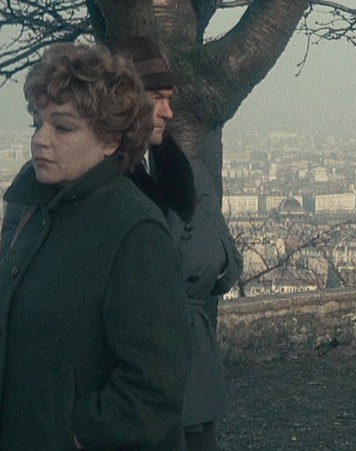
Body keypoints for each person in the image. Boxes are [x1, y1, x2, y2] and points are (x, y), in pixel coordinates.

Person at [0, 44, 192, 450]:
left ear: (110, 140)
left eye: (63, 128)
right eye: (37, 123)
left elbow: (156, 385)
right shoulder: (37, 210)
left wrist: (78, 433)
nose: (40, 140)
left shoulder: (135, 232)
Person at [110, 36, 243, 451]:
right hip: (132, 377)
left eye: (169, 99)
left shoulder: (189, 173)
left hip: (193, 371)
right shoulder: (103, 182)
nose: (169, 111)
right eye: (158, 99)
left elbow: (225, 262)